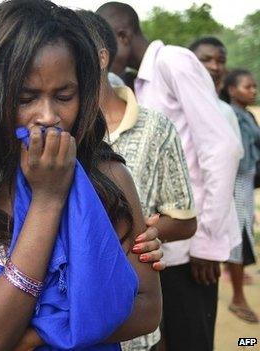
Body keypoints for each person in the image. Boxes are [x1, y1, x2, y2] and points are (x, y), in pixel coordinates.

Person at [0, 1, 162, 350]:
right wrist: (47, 200)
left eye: (64, 95)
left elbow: (148, 309)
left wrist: (34, 336)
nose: (48, 116)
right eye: (25, 98)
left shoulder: (110, 177)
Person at [97, 3, 242, 350]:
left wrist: (206, 243)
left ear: (121, 37)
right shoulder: (141, 82)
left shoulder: (173, 61)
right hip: (161, 251)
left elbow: (221, 147)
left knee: (192, 340)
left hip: (191, 249)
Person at [77, 10, 198, 351]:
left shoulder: (155, 127)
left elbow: (184, 221)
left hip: (138, 326)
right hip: (74, 329)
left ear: (101, 57)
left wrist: (139, 235)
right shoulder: (58, 134)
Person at [219, 69, 260, 324]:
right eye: (247, 87)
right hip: (235, 181)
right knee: (238, 234)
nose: (253, 91)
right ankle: (237, 297)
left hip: (245, 181)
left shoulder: (247, 115)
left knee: (243, 229)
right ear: (232, 90)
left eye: (254, 87)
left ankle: (235, 278)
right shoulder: (231, 115)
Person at [189, 37, 243, 144]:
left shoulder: (226, 112)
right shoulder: (170, 105)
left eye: (221, 61)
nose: (214, 67)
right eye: (205, 60)